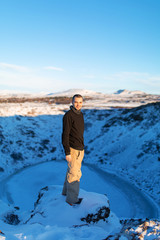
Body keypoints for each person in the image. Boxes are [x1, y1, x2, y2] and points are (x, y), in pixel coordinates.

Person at [62, 94, 84, 206]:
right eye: (76, 102)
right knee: (74, 174)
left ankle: (65, 193)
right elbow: (65, 135)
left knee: (72, 171)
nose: (78, 104)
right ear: (72, 102)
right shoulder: (68, 116)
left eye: (80, 102)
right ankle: (72, 200)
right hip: (73, 149)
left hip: (80, 149)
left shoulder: (80, 114)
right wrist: (67, 152)